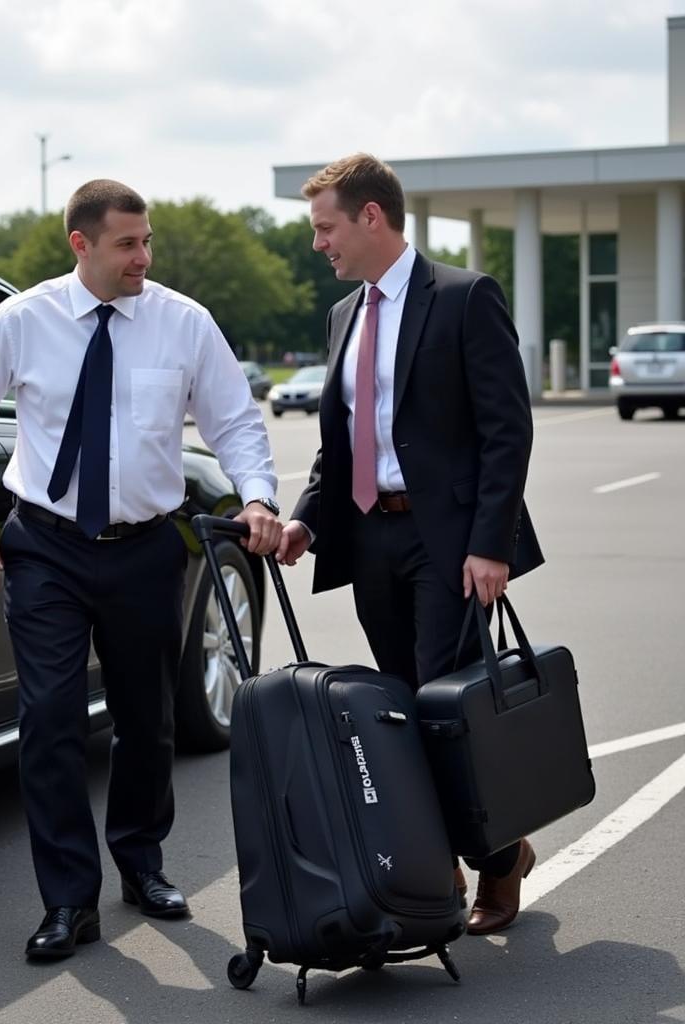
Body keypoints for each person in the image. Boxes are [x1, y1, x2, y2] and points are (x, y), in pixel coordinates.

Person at [0, 179, 282, 961]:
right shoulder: (23, 320)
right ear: (80, 244)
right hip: (45, 546)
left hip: (146, 548)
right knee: (50, 720)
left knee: (145, 720)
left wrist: (258, 496)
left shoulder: (182, 322)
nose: (144, 258)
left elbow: (232, 418)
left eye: (148, 240)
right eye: (128, 243)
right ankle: (67, 901)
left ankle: (142, 862)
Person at [276, 153, 544, 935]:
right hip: (370, 540)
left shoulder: (463, 297)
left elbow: (506, 431)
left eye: (325, 228)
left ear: (371, 217)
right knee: (396, 709)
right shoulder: (343, 317)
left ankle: (496, 863)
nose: (318, 243)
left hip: (450, 544)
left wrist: (489, 544)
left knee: (445, 709)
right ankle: (447, 867)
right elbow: (340, 447)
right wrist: (306, 520)